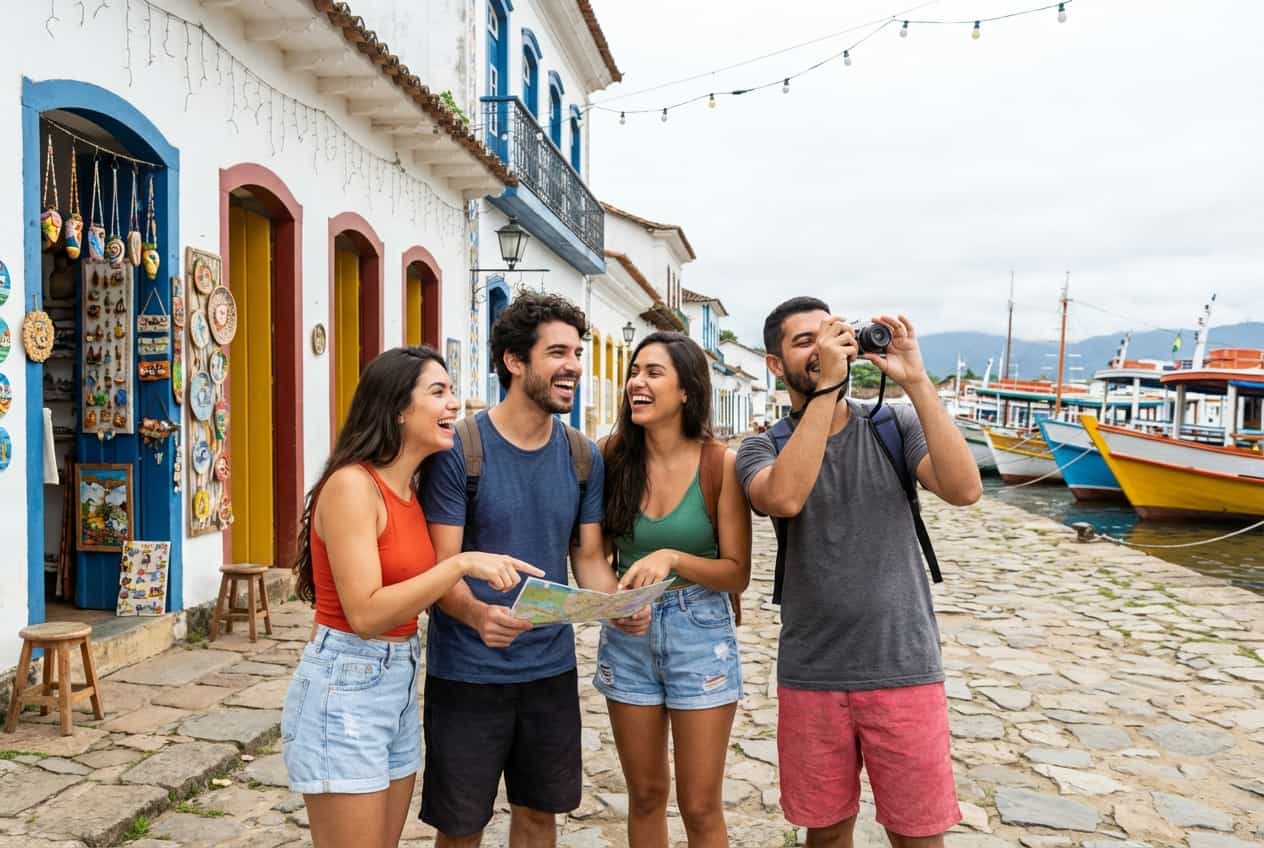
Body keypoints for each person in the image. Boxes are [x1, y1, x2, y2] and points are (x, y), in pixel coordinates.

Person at [736, 298, 982, 848]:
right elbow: (785, 497)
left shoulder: (894, 424)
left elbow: (965, 490)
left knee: (918, 834)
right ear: (775, 365)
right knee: (825, 835)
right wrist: (826, 391)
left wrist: (916, 380)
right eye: (805, 342)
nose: (824, 348)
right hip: (813, 674)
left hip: (905, 665)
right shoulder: (760, 447)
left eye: (830, 334)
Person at [282, 346, 543, 848]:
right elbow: (365, 613)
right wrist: (461, 564)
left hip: (397, 678)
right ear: (398, 408)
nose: (455, 405)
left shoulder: (408, 490)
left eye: (453, 391)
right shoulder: (353, 487)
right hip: (346, 683)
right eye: (438, 392)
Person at [419, 292, 650, 848]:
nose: (573, 365)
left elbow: (589, 558)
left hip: (549, 672)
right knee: (460, 827)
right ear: (515, 362)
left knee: (539, 816)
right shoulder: (461, 450)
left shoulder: (581, 457)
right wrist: (477, 615)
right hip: (467, 674)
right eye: (557, 352)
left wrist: (615, 606)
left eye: (577, 351)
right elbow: (439, 567)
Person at [596, 331, 752, 847]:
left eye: (653, 372)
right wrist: (610, 601)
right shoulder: (610, 456)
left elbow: (736, 573)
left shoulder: (719, 464)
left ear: (687, 390)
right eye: (634, 371)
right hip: (628, 632)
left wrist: (673, 559)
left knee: (700, 805)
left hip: (699, 631)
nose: (636, 381)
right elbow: (593, 554)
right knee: (643, 795)